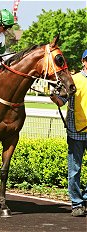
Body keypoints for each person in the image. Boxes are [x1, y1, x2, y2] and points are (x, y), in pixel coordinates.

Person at [50, 49, 87, 217]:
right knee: (75, 169)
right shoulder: (74, 80)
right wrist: (54, 97)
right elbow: (61, 100)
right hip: (77, 132)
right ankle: (77, 203)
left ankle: (84, 198)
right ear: (83, 62)